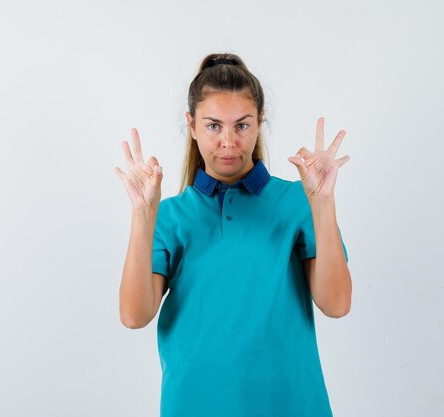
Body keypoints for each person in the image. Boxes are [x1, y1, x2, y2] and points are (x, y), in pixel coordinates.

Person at [113, 53, 352, 417]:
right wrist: (143, 213)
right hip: (194, 405)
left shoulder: (297, 202)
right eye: (213, 126)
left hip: (290, 404)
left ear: (259, 122)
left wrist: (322, 203)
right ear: (192, 125)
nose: (228, 141)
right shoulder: (169, 216)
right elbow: (134, 315)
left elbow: (336, 304)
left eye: (241, 125)